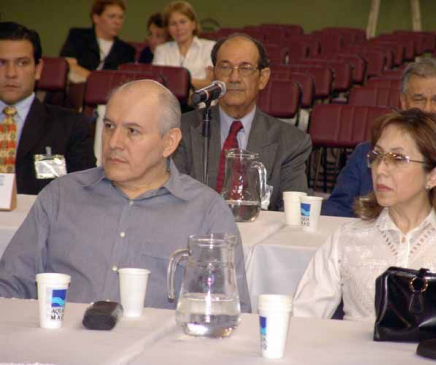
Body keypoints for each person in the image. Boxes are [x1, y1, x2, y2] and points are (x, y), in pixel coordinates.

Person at [0, 80, 251, 312]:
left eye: (132, 131)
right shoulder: (61, 195)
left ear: (169, 142)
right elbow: (9, 285)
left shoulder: (206, 212)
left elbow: (228, 308)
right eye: (109, 126)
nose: (114, 143)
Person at [294, 109, 436, 320]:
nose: (381, 170)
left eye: (397, 158)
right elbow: (303, 318)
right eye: (377, 156)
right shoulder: (346, 238)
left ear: (433, 175)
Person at [321, 57, 436, 217]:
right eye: (418, 99)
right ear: (404, 103)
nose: (427, 109)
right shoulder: (367, 153)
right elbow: (337, 212)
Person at [172, 33, 312, 211]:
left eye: (245, 68)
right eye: (225, 67)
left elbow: (293, 213)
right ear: (213, 74)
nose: (234, 78)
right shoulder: (181, 130)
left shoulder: (292, 143)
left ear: (263, 78)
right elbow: (172, 200)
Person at [0, 22, 96, 194]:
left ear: (38, 69)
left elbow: (85, 195)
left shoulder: (70, 127)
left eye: (22, 63)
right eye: (1, 63)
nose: (11, 73)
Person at [60, 0, 135, 82]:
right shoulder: (78, 36)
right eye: (112, 16)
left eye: (121, 17)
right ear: (96, 18)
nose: (117, 22)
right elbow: (69, 65)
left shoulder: (127, 50)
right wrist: (97, 81)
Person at [152, 1, 215, 90]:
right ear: (168, 29)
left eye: (183, 22)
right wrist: (196, 82)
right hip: (168, 102)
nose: (179, 28)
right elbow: (157, 84)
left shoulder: (210, 47)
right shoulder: (161, 50)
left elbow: (210, 84)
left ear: (193, 24)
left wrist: (173, 80)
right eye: (173, 24)